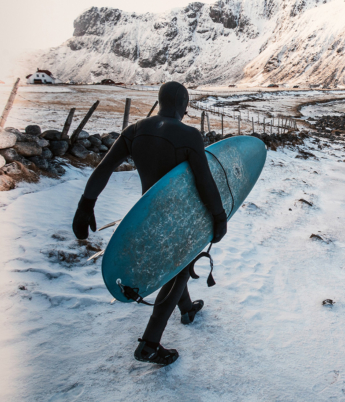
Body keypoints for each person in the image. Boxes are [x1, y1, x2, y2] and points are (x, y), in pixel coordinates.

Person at [72, 81, 228, 365]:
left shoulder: (135, 130)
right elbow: (205, 182)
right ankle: (150, 343)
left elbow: (104, 167)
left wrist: (86, 204)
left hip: (146, 214)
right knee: (179, 270)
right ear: (183, 104)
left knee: (174, 266)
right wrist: (218, 217)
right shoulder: (189, 134)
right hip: (178, 216)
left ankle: (188, 309)